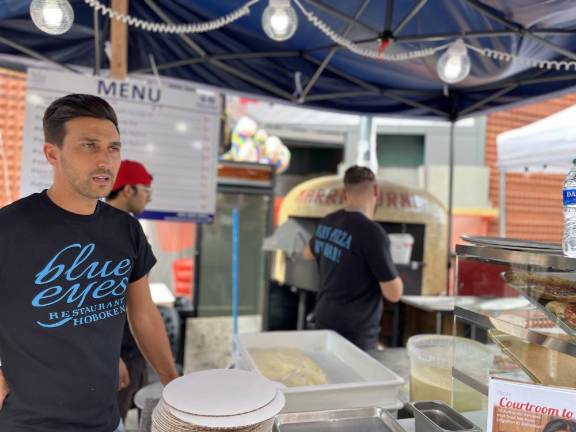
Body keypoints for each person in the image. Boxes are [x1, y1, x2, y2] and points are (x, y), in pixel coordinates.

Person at [0, 94, 178, 432]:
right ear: (53, 154)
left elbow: (143, 313)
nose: (105, 161)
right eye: (89, 146)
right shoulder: (9, 228)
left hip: (104, 420)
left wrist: (174, 382)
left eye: (113, 148)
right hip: (27, 423)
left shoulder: (125, 229)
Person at [303, 165, 403, 350]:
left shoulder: (328, 221)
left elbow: (307, 253)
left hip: (325, 318)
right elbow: (394, 294)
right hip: (355, 332)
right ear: (375, 190)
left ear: (344, 193)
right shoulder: (373, 233)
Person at [106, 160, 154, 423]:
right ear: (127, 190)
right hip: (115, 351)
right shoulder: (103, 229)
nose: (148, 197)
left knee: (125, 417)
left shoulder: (131, 228)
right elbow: (96, 299)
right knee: (113, 418)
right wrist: (113, 356)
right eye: (145, 190)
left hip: (131, 347)